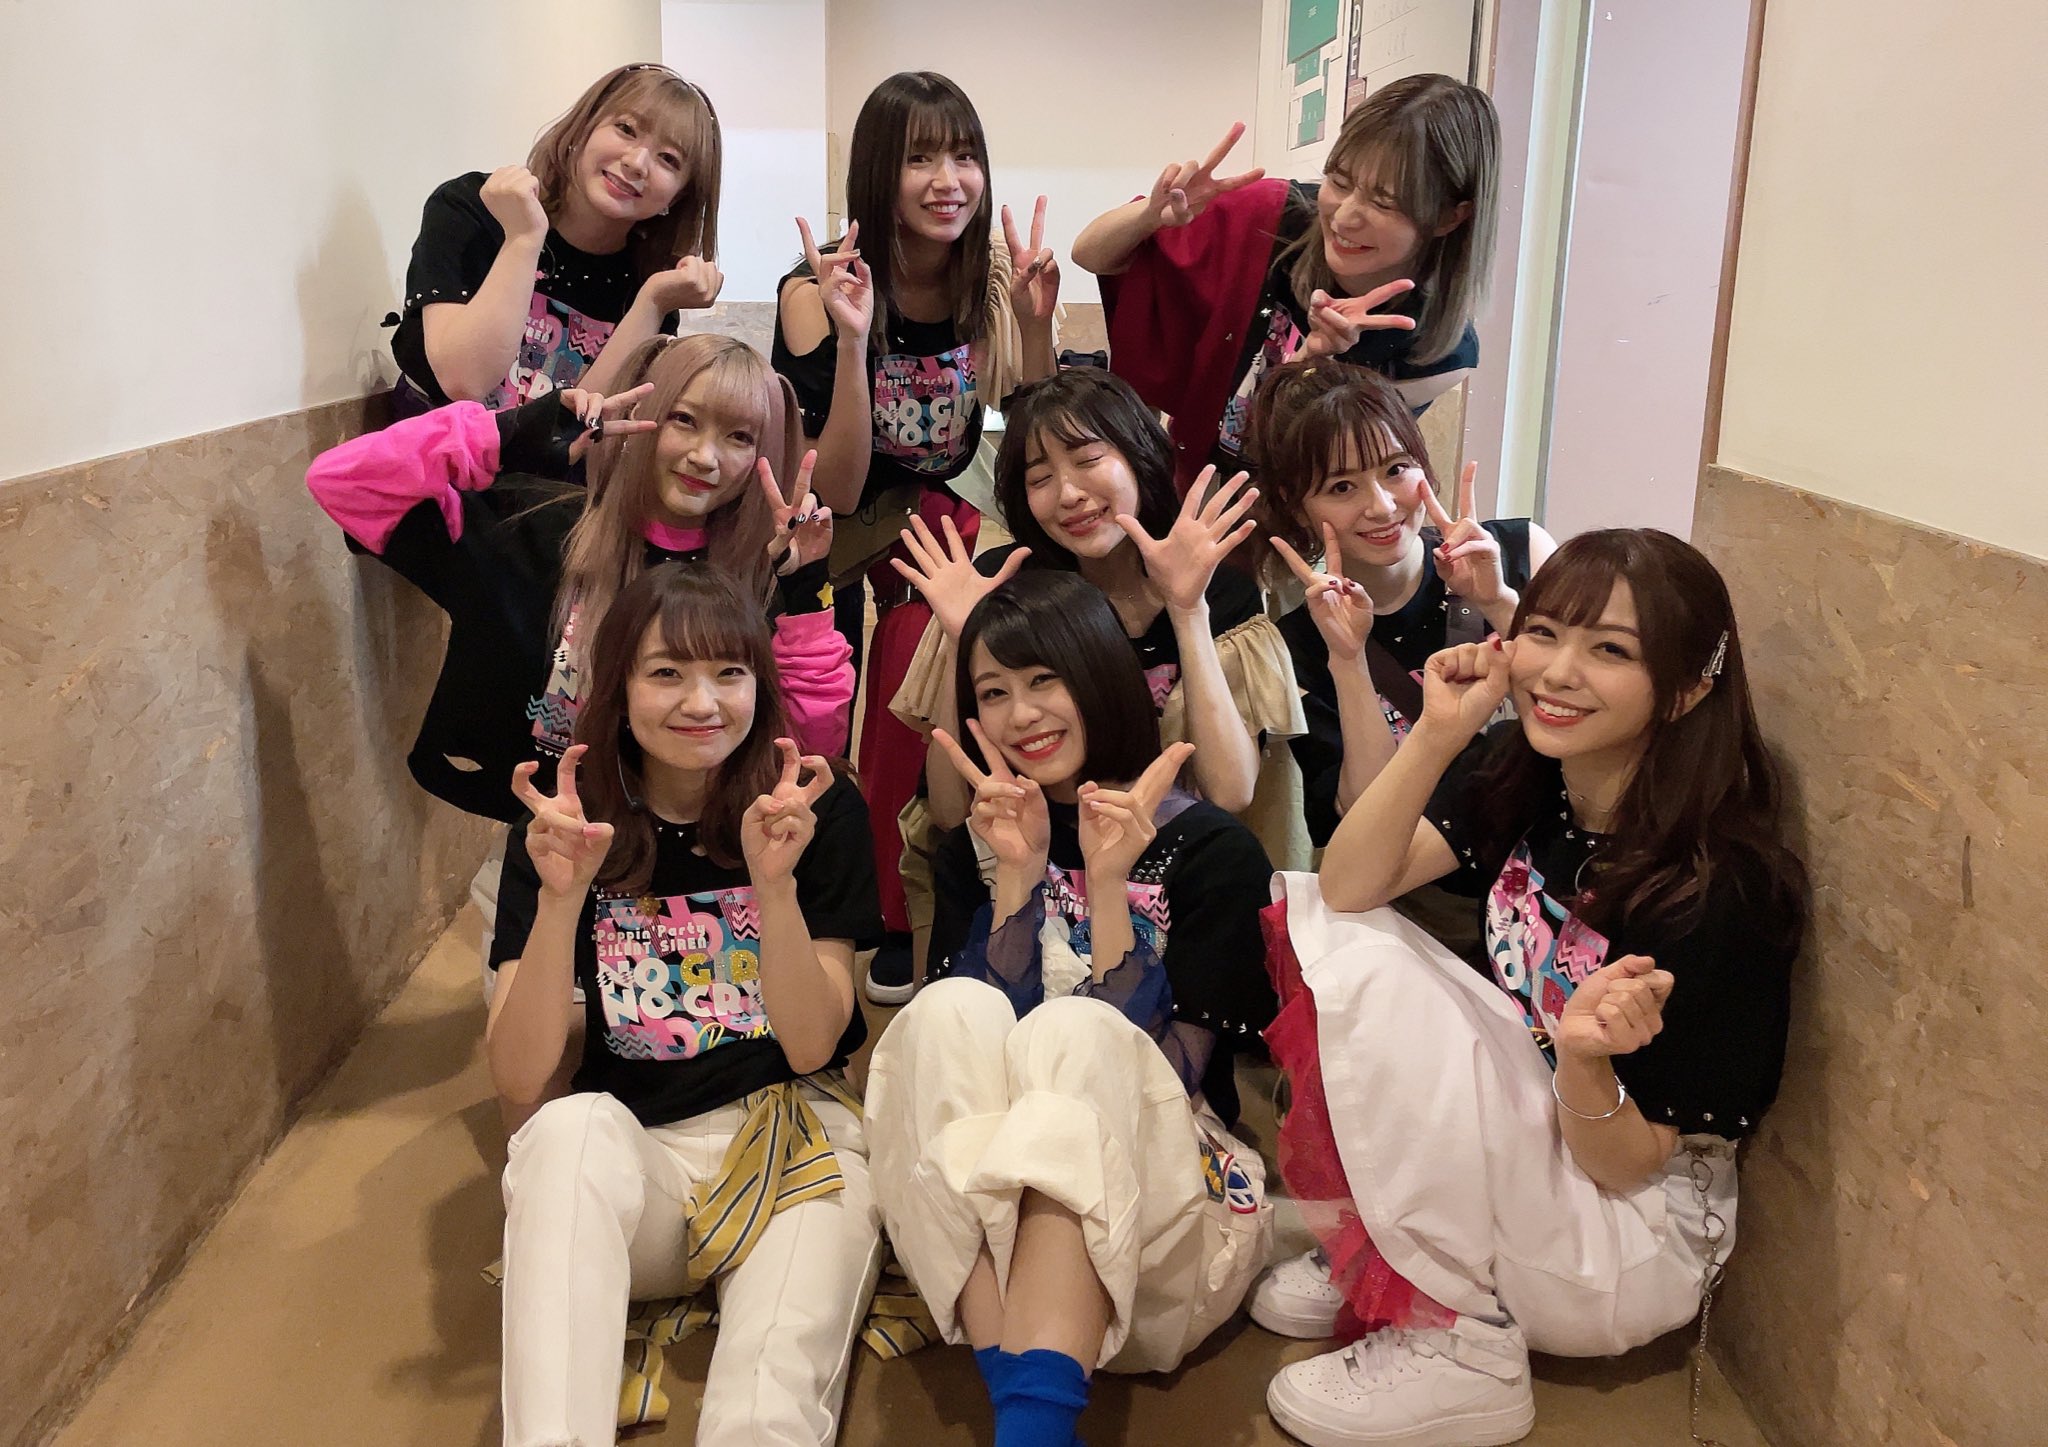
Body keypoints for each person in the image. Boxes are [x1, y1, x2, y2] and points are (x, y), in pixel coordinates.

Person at [1253, 530, 1808, 1447]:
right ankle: (1396, 1251)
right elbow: (1345, 885)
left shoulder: (1720, 892)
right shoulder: (1530, 775)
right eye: (1544, 632)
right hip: (1539, 1148)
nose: (1558, 671)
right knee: (1342, 930)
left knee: (1377, 976)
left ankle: (1466, 1352)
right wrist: (1441, 731)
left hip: (1629, 1234)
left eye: (1610, 649)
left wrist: (1585, 1060)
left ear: (1687, 688)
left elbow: (1630, 1164)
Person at [865, 571, 1278, 1445]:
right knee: (943, 1012)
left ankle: (1028, 1405)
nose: (1021, 713)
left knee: (1075, 1026)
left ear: (1097, 674)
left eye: (1043, 679)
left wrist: (1108, 884)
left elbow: (1168, 1075)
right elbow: (968, 1071)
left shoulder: (1212, 850)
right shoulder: (975, 848)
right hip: (1000, 1247)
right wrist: (1017, 877)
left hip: (1160, 1226)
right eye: (993, 692)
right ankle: (1031, 1410)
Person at [307, 333, 849, 981]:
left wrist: (806, 592)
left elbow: (809, 747)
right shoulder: (535, 529)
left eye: (739, 436)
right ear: (645, 416)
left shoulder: (763, 579)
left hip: (704, 869)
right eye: (684, 419)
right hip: (548, 846)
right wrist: (507, 433)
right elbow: (343, 482)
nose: (705, 456)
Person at [489, 562, 883, 1446]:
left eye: (728, 672)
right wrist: (559, 901)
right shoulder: (568, 828)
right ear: (619, 688)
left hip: (796, 1148)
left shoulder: (810, 810)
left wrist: (774, 888)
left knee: (764, 1402)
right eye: (667, 672)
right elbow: (517, 1076)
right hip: (643, 1162)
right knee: (563, 1131)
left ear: (759, 684)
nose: (702, 702)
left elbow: (813, 1044)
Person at [770, 69, 1060, 999]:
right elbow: (839, 481)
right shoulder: (815, 291)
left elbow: (1035, 427)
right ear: (877, 173)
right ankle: (867, 892)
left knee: (951, 632)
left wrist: (1037, 327)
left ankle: (949, 885)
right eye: (920, 158)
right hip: (844, 518)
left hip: (953, 504)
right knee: (870, 663)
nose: (949, 180)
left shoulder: (990, 278)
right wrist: (856, 340)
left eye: (964, 155)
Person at [1072, 75, 1499, 489]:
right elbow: (1089, 254)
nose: (1345, 216)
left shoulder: (1437, 351)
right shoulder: (1272, 218)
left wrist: (1313, 360)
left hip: (1281, 516)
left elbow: (1310, 480)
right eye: (1340, 182)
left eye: (1384, 202)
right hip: (1191, 483)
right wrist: (1151, 216)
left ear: (1450, 217)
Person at [1255, 360, 1553, 847]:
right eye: (1341, 487)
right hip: (1425, 883)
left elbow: (1584, 707)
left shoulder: (1521, 552)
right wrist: (1348, 660)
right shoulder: (1298, 644)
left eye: (1396, 469)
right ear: (1296, 506)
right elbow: (1365, 828)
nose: (1382, 506)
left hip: (1551, 865)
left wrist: (1499, 603)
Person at [390, 63, 725, 414]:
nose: (637, 163)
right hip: (427, 447)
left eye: (669, 159)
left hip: (553, 455)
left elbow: (579, 429)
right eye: (626, 129)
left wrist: (653, 304)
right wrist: (523, 239)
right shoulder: (477, 207)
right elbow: (464, 381)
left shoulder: (654, 283)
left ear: (679, 196)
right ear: (584, 127)